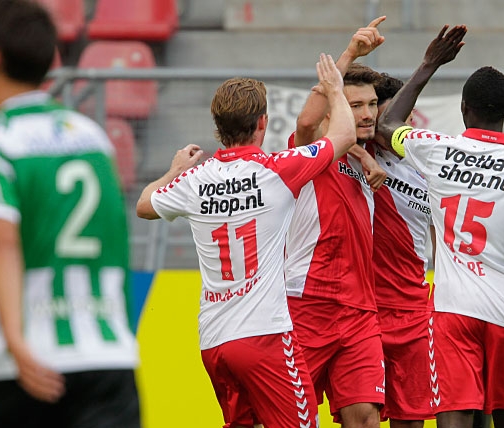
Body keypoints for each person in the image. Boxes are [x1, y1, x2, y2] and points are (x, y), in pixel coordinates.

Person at [136, 53, 357, 428]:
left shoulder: (194, 180)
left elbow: (143, 205)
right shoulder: (277, 170)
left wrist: (174, 170)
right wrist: (336, 90)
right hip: (265, 336)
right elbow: (345, 135)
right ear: (263, 123)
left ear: (218, 128)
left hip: (215, 341)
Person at [0, 1, 140, 427]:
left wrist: (14, 336)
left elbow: (0, 238)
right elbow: (112, 239)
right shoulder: (91, 135)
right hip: (108, 356)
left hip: (22, 367)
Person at [378, 24, 504, 428]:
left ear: (462, 108)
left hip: (454, 308)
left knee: (453, 415)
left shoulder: (439, 150)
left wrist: (429, 64)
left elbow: (387, 126)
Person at [284, 18, 387, 428]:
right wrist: (347, 57)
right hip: (306, 306)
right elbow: (308, 122)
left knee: (364, 418)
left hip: (360, 311)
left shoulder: (370, 158)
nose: (366, 114)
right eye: (355, 105)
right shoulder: (314, 153)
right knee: (294, 420)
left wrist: (365, 156)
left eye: (371, 105)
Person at [369, 73, 435, 428]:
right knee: (362, 418)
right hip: (365, 313)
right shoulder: (358, 154)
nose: (402, 126)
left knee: (411, 420)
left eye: (406, 117)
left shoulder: (426, 165)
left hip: (413, 310)